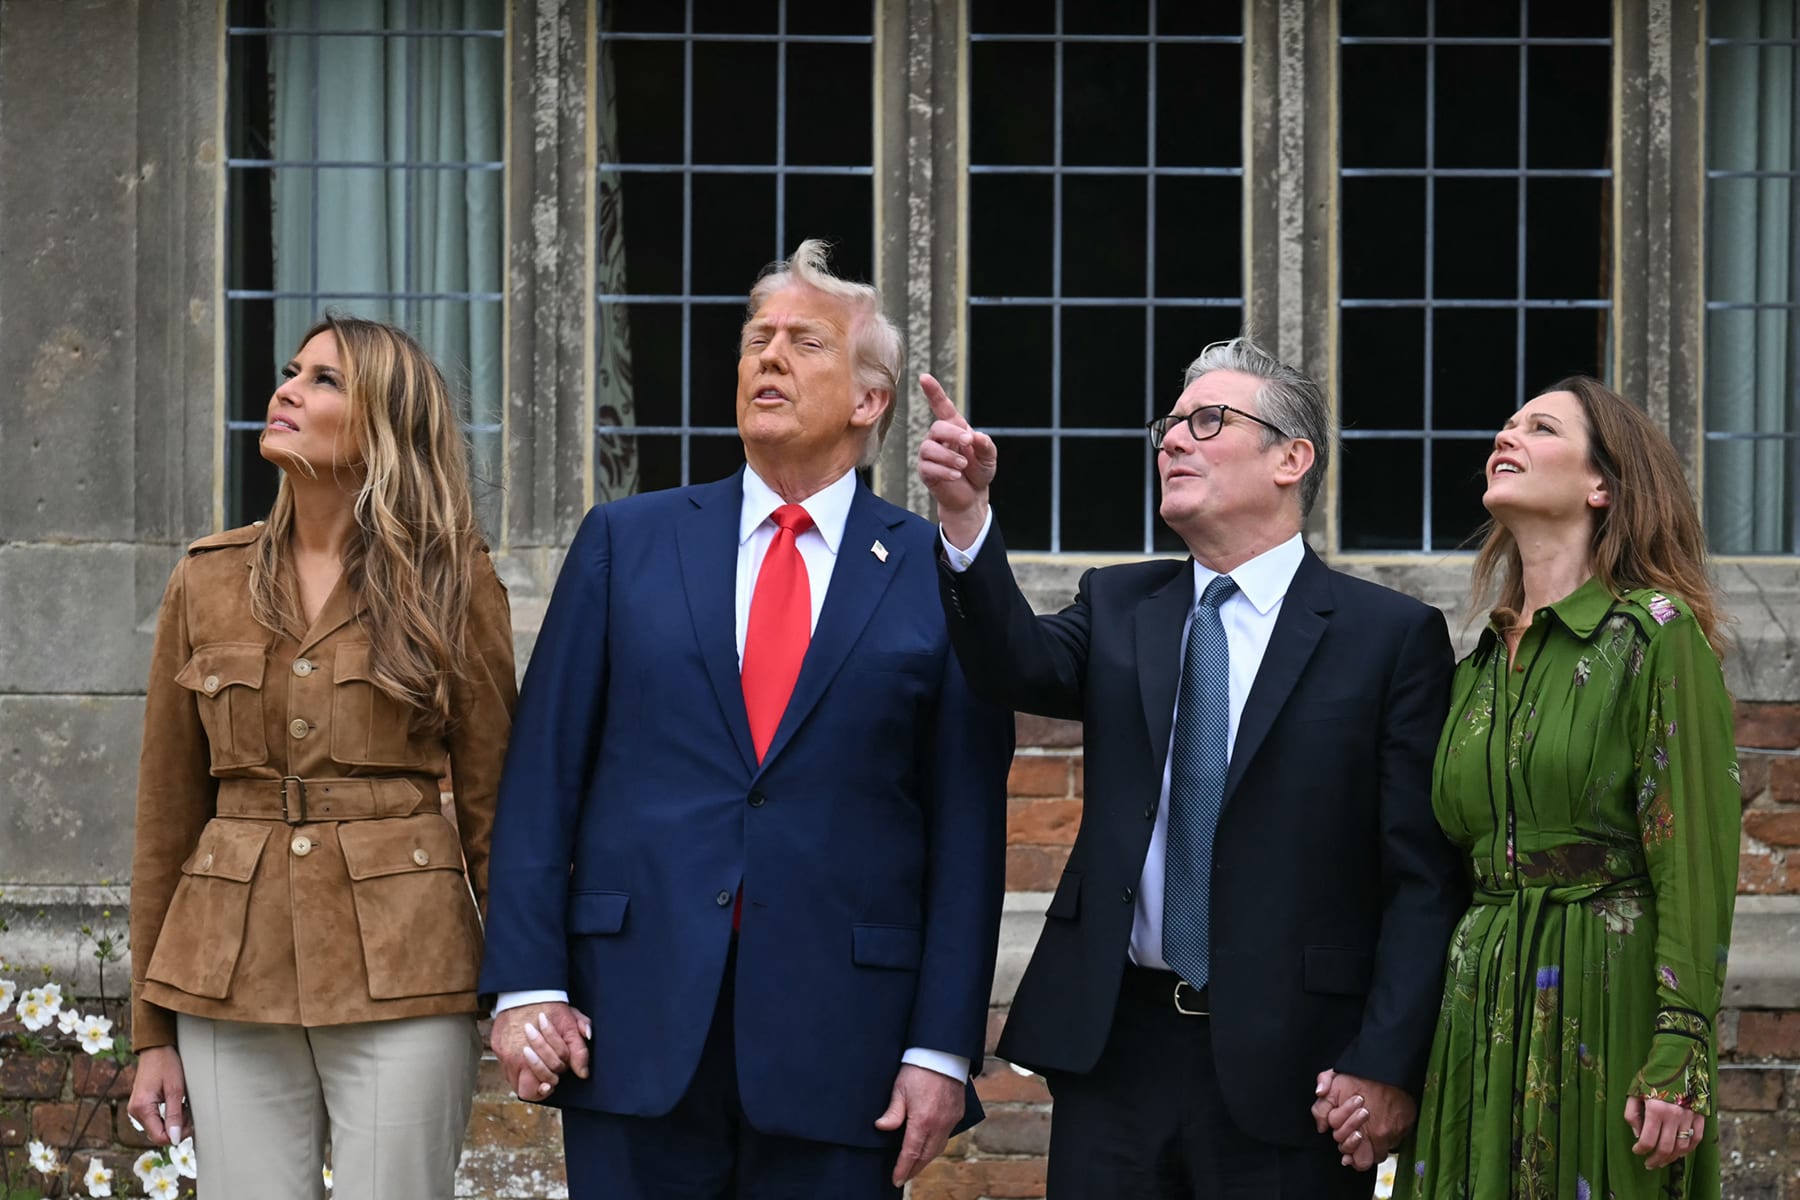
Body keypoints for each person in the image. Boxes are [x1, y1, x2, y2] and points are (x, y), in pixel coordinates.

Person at [476, 239, 1013, 1200]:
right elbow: (541, 779)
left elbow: (969, 829)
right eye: (755, 339)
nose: (767, 356)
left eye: (805, 342)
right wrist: (526, 987)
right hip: (630, 1026)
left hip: (845, 1041)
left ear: (869, 400)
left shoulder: (937, 574)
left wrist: (942, 1048)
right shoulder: (624, 542)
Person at [916, 335, 1467, 1198]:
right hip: (1117, 1049)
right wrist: (964, 518)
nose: (1172, 439)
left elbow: (1423, 877)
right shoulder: (1121, 603)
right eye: (1168, 425)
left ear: (1293, 458)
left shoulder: (1387, 638)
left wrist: (1386, 1063)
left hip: (1297, 1066)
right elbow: (1009, 662)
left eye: (1207, 421)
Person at [125, 315, 517, 1199]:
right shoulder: (207, 578)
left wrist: (524, 987)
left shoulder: (454, 578)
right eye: (291, 371)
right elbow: (166, 819)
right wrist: (152, 1030)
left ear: (385, 423)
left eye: (325, 380)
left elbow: (500, 808)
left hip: (406, 969)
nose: (288, 390)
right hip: (230, 971)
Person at [1379, 377, 1739, 1199]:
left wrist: (1682, 1044)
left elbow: (1697, 858)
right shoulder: (1473, 668)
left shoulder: (1655, 635)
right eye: (1505, 426)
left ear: (1601, 484)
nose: (1507, 438)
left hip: (1604, 994)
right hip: (1476, 1000)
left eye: (1540, 428)